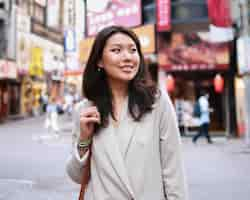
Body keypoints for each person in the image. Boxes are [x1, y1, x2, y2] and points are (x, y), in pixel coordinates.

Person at [66, 26, 188, 200]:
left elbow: (174, 171)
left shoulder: (156, 103)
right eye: (116, 50)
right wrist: (84, 140)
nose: (128, 57)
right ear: (99, 61)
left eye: (133, 50)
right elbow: (77, 176)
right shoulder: (85, 110)